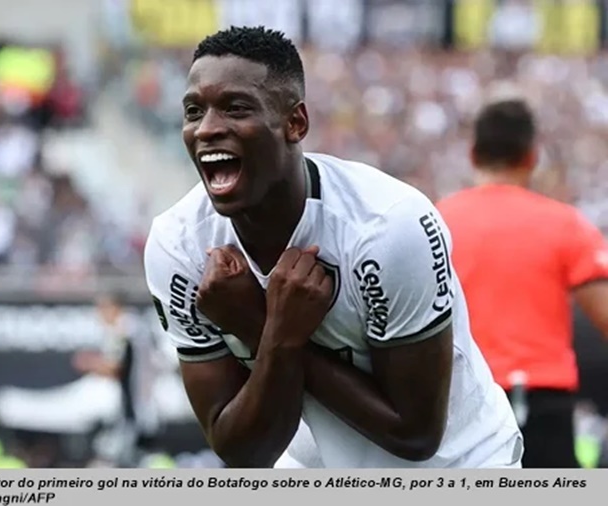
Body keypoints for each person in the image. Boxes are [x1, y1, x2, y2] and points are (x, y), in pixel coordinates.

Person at [143, 26, 522, 468]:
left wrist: (261, 325)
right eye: (194, 111)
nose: (207, 129)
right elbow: (243, 452)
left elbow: (416, 435)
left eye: (236, 108)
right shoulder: (179, 248)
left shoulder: (389, 227)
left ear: (295, 123)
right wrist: (276, 334)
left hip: (460, 465)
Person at [436, 99, 608, 468]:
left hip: (459, 401)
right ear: (532, 157)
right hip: (541, 402)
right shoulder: (565, 224)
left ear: (473, 154)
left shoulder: (436, 222)